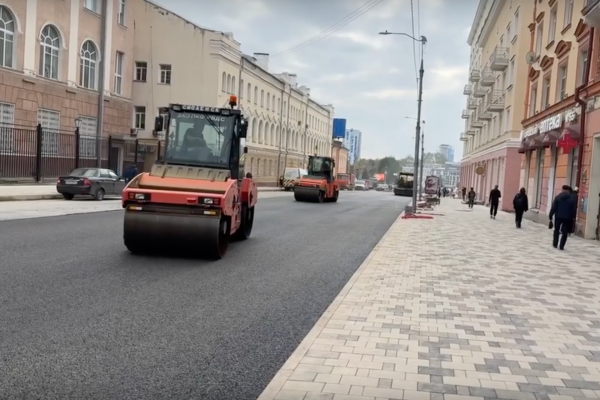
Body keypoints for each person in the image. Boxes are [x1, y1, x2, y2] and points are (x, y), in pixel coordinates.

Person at [549, 185, 577, 250]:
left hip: (558, 217)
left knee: (556, 230)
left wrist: (550, 215)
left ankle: (555, 244)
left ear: (563, 190)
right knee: (565, 232)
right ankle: (561, 246)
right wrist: (573, 217)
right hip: (567, 218)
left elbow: (553, 208)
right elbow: (573, 209)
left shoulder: (558, 197)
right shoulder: (572, 198)